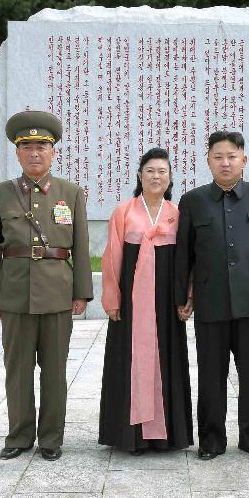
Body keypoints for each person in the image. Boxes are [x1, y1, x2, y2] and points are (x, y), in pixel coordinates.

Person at [0, 110, 94, 461]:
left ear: (53, 151)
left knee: (55, 371)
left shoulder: (70, 193)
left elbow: (81, 245)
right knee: (17, 369)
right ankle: (18, 436)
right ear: (17, 153)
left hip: (58, 292)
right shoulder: (1, 194)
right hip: (14, 292)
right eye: (27, 146)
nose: (34, 153)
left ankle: (51, 438)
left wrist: (81, 291)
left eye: (41, 146)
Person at [175, 130, 249, 460]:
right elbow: (184, 255)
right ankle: (211, 439)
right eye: (218, 156)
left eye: (232, 156)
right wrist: (182, 297)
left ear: (244, 161)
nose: (225, 162)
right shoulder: (192, 201)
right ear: (208, 160)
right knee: (211, 375)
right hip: (211, 304)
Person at [98, 148, 194, 453]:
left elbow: (186, 261)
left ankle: (166, 435)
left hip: (166, 305)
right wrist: (113, 297)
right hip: (131, 305)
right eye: (150, 170)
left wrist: (185, 298)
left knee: (167, 359)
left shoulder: (176, 213)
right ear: (140, 176)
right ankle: (130, 436)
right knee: (128, 360)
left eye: (162, 171)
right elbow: (112, 258)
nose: (156, 176)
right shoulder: (124, 212)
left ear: (170, 178)